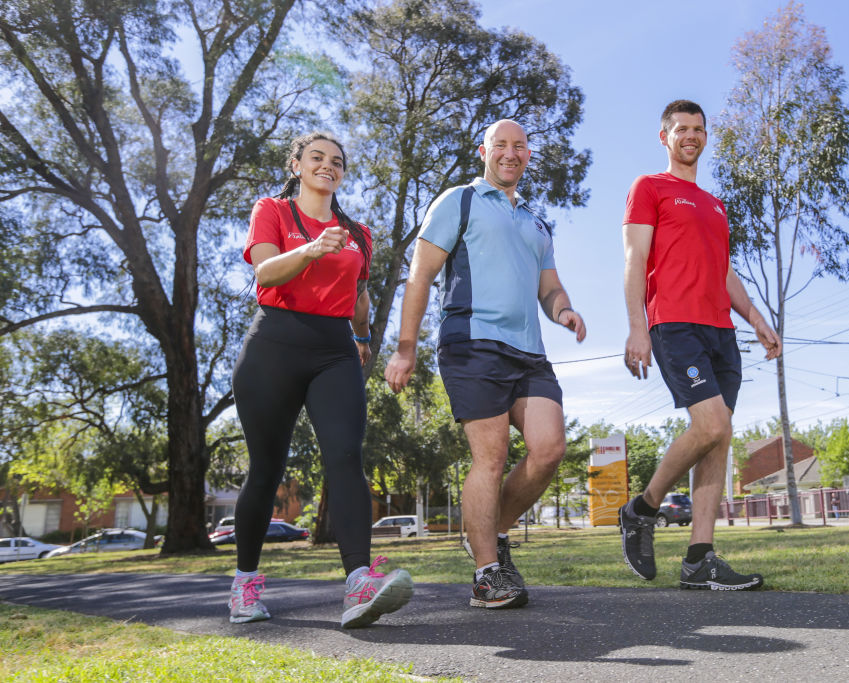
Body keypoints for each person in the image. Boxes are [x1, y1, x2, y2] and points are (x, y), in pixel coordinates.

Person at [384, 119, 586, 609]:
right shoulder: (460, 200)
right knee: (490, 457)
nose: (510, 153)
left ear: (528, 157)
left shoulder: (536, 221)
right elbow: (421, 274)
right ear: (484, 151)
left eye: (519, 147)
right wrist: (406, 346)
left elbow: (549, 286)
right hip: (472, 342)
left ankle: (488, 535)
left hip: (530, 351)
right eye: (501, 145)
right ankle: (486, 572)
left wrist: (563, 310)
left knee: (549, 448)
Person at [230, 132, 413, 627]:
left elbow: (359, 294)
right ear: (296, 165)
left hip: (335, 351)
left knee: (346, 457)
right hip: (274, 345)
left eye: (336, 161)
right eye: (316, 158)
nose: (327, 166)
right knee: (266, 470)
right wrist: (311, 249)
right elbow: (266, 273)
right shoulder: (272, 210)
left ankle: (359, 583)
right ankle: (245, 584)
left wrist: (364, 336)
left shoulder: (359, 233)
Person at [619, 100, 782, 591]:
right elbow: (634, 259)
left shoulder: (715, 205)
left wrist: (755, 317)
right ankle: (642, 508)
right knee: (711, 423)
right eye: (682, 129)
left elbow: (724, 270)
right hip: (674, 324)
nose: (691, 136)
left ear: (706, 136)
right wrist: (636, 327)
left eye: (699, 129)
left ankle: (699, 557)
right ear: (665, 136)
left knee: (720, 434)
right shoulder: (649, 188)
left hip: (721, 331)